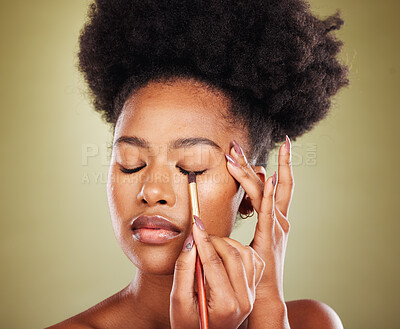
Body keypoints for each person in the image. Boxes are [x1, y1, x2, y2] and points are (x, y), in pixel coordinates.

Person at [47, 0, 349, 328]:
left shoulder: (312, 322)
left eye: (192, 167)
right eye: (130, 164)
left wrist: (267, 303)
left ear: (250, 193)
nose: (152, 192)